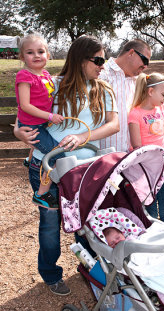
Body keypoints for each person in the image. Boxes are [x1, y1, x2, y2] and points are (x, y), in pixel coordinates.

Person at [14, 35, 119, 295]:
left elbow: (113, 124)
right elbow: (23, 117)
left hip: (85, 172)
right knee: (50, 224)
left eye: (103, 60)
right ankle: (50, 275)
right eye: (97, 60)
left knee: (88, 223)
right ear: (79, 59)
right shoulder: (53, 84)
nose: (102, 65)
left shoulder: (103, 89)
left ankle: (91, 270)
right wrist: (19, 133)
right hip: (47, 169)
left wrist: (84, 137)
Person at [99, 39, 164, 153]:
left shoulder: (139, 80)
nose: (146, 66)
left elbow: (158, 98)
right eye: (145, 60)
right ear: (131, 53)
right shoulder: (101, 75)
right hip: (107, 156)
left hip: (134, 159)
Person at [16, 34, 65, 209]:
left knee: (43, 146)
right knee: (55, 153)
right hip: (32, 125)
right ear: (22, 57)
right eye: (30, 52)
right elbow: (25, 105)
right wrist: (50, 116)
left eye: (40, 51)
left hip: (41, 123)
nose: (36, 55)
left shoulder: (45, 74)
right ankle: (41, 194)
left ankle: (30, 161)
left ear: (48, 55)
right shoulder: (24, 76)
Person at [128, 72, 164, 223]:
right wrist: (159, 158)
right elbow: (137, 146)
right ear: (150, 92)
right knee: (151, 213)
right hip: (145, 170)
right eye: (163, 94)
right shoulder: (135, 114)